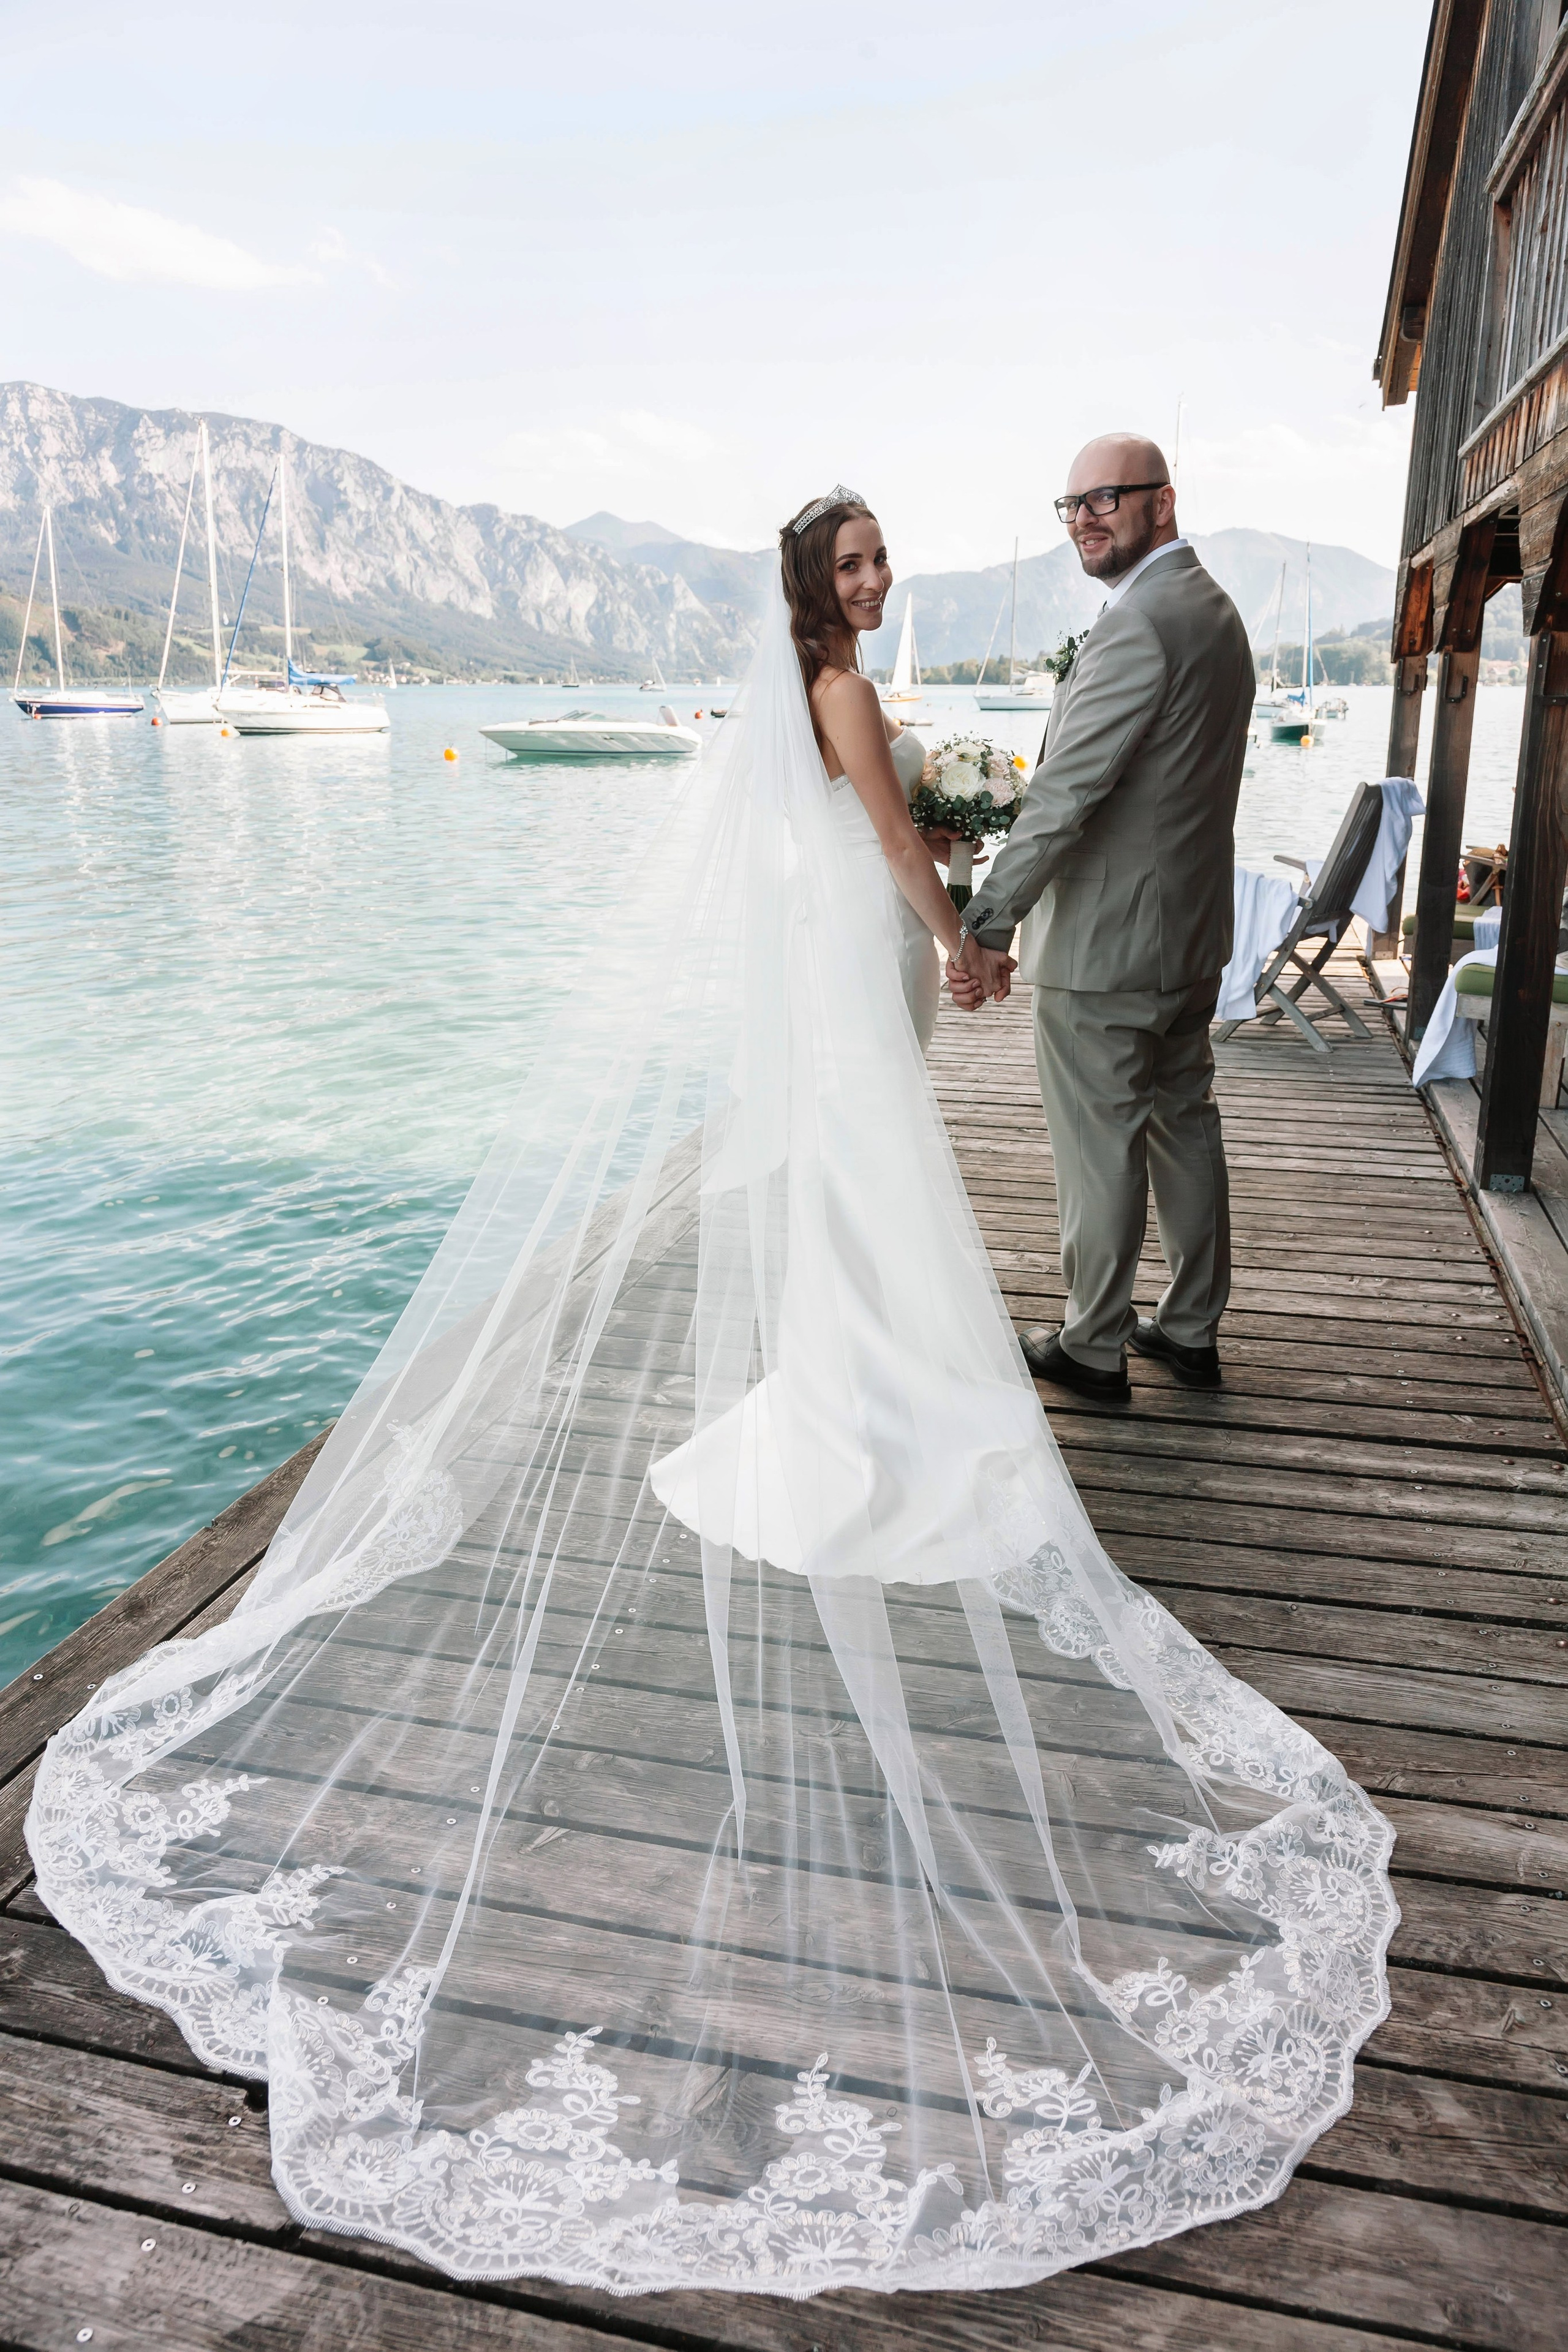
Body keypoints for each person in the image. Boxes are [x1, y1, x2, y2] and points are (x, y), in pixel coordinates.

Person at [28, 488, 1393, 2302]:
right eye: (851, 567)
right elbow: (897, 829)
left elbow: (869, 815)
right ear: (809, 592)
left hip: (831, 939)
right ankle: (867, 1407)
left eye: (880, 560)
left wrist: (942, 903)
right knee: (870, 1171)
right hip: (866, 931)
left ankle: (847, 1386)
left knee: (854, 1177)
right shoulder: (840, 690)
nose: (874, 583)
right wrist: (966, 936)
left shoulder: (809, 682)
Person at [954, 435, 1255, 1404]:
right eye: (1071, 504)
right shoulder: (1216, 612)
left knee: (1101, 1143)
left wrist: (990, 920)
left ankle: (1092, 1345)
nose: (1084, 517)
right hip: (1190, 934)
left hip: (1111, 946)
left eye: (1106, 499)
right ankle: (1192, 1327)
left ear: (1163, 503)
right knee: (1183, 1119)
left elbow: (1066, 794)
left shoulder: (1140, 625)